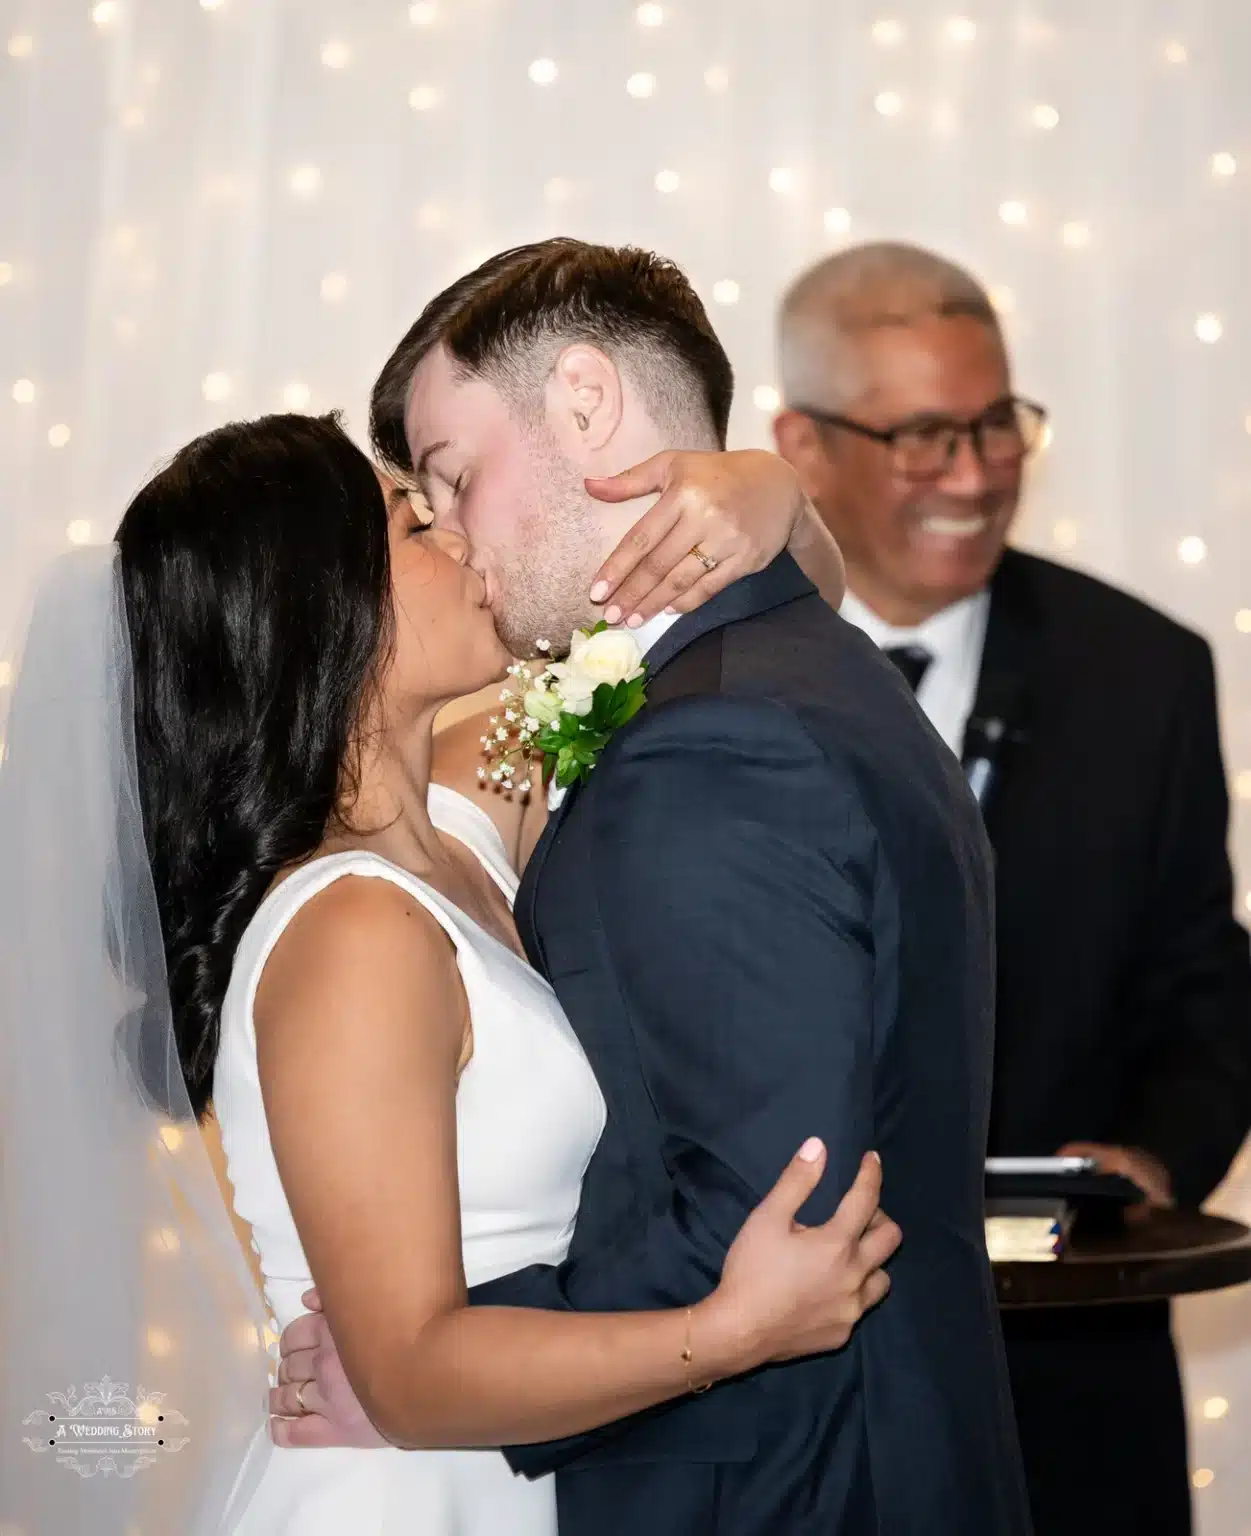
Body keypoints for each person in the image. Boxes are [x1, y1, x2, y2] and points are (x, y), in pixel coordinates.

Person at [0, 407, 899, 1536]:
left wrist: (772, 491)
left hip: (523, 1477)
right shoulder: (352, 934)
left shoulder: (474, 810)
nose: (468, 538)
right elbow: (411, 1373)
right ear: (322, 609)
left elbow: (732, 599)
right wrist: (731, 1331)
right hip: (409, 1500)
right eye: (415, 520)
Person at [275, 238, 1031, 1535]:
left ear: (583, 405)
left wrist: (428, 1375)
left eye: (452, 478)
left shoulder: (712, 749)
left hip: (781, 1491)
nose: (451, 536)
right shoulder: (790, 673)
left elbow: (763, 1224)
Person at [771, 239, 1251, 1536]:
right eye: (924, 436)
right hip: (791, 1393)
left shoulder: (1139, 673)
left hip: (1071, 1386)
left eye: (995, 425)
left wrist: (1149, 1154)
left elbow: (1203, 985)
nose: (976, 475)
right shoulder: (706, 678)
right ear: (799, 446)